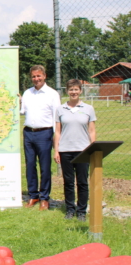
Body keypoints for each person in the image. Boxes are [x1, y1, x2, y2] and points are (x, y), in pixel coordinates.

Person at [53, 79, 96, 222]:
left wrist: (93, 148)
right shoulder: (60, 109)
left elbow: (92, 130)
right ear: (67, 91)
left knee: (82, 182)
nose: (73, 92)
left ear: (80, 91)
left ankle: (82, 211)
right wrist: (56, 150)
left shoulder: (88, 108)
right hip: (65, 150)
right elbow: (58, 131)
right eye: (71, 89)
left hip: (83, 150)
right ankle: (70, 209)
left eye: (76, 89)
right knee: (68, 182)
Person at [20, 65, 61, 211]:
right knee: (30, 166)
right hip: (28, 133)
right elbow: (22, 111)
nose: (36, 79)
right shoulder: (27, 93)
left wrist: (57, 139)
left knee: (44, 167)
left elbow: (57, 118)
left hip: (45, 133)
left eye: (39, 76)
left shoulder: (52, 94)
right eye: (33, 76)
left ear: (44, 76)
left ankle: (44, 198)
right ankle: (33, 195)